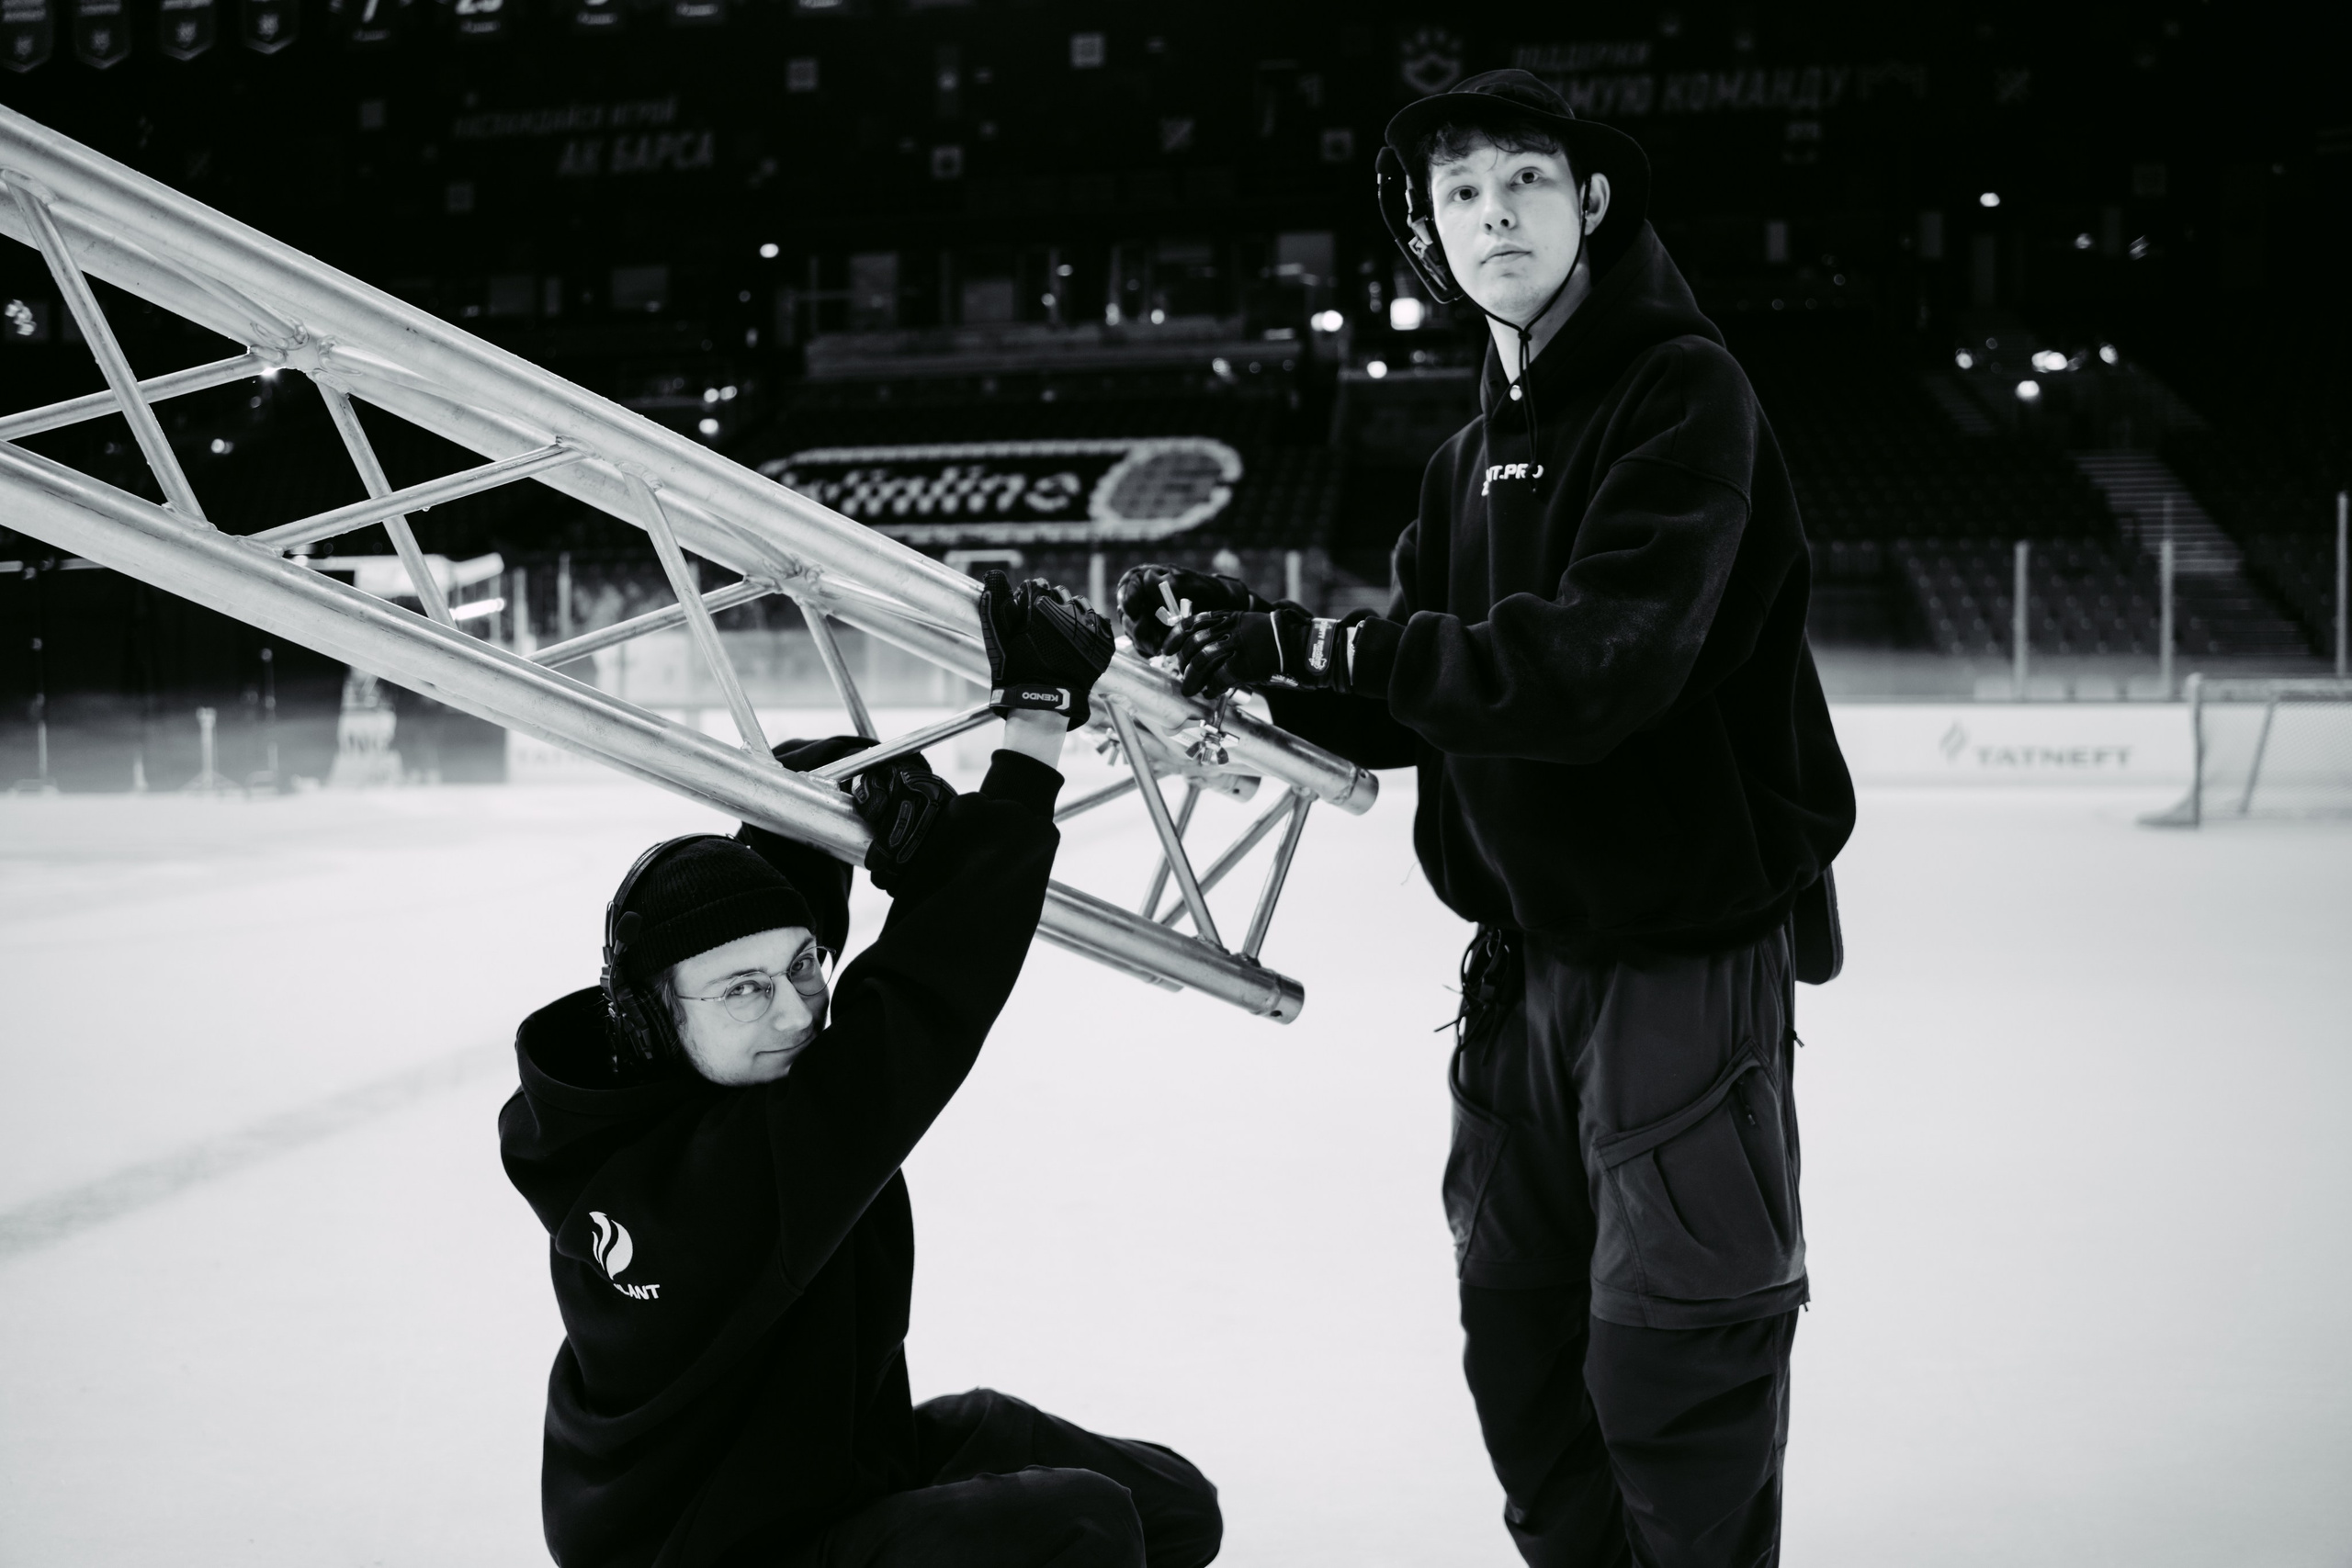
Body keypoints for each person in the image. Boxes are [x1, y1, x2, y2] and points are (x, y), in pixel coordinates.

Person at [1121, 71, 1854, 1568]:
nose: (1495, 211)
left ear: (1589, 206)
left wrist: (1316, 647)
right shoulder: (1464, 459)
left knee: (1676, 1354)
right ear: (1427, 235)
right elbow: (1409, 696)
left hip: (1678, 957)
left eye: (1526, 178)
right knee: (1519, 1344)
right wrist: (1243, 633)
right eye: (1461, 193)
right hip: (1520, 971)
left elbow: (1603, 660)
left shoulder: (1682, 391)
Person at [500, 573, 1222, 1568]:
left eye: (804, 968)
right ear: (657, 1018)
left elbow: (774, 896)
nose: (797, 1010)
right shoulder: (703, 1197)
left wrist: (848, 787)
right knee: (1078, 1525)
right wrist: (1035, 731)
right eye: (744, 991)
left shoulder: (680, 1073)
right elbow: (922, 1007)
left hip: (811, 1471)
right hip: (724, 1554)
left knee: (1171, 1505)